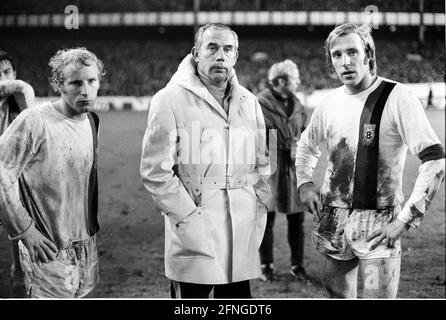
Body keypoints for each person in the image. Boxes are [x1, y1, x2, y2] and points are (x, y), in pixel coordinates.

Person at [295, 23, 445, 298]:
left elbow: (434, 158)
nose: (345, 61)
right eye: (337, 54)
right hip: (332, 219)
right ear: (330, 61)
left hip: (378, 225)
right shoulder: (328, 103)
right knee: (338, 296)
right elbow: (306, 144)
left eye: (352, 51)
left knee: (376, 296)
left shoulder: (397, 97)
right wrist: (304, 183)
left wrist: (406, 218)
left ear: (368, 55)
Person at [140, 23, 272, 299]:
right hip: (194, 224)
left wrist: (259, 204)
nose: (220, 56)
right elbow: (155, 172)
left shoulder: (250, 102)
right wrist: (187, 216)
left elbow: (262, 163)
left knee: (237, 301)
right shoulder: (169, 99)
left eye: (228, 49)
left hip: (242, 225)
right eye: (212, 47)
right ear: (196, 53)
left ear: (235, 56)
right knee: (193, 301)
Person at [0, 47, 103, 298]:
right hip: (45, 244)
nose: (85, 90)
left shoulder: (91, 121)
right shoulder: (33, 121)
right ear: (59, 84)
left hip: (82, 242)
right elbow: (2, 174)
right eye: (76, 82)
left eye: (91, 81)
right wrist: (25, 230)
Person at [256, 60, 309, 282]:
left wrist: (301, 143)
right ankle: (265, 265)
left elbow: (305, 132)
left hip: (293, 167)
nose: (298, 83)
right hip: (269, 166)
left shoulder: (297, 104)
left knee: (297, 218)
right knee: (266, 218)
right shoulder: (258, 103)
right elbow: (250, 137)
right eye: (295, 79)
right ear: (281, 81)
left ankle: (297, 265)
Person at [0, 49, 35, 297]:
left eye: (6, 72)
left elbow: (24, 90)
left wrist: (17, 83)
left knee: (16, 219)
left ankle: (19, 269)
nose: (3, 79)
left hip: (10, 177)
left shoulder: (19, 100)